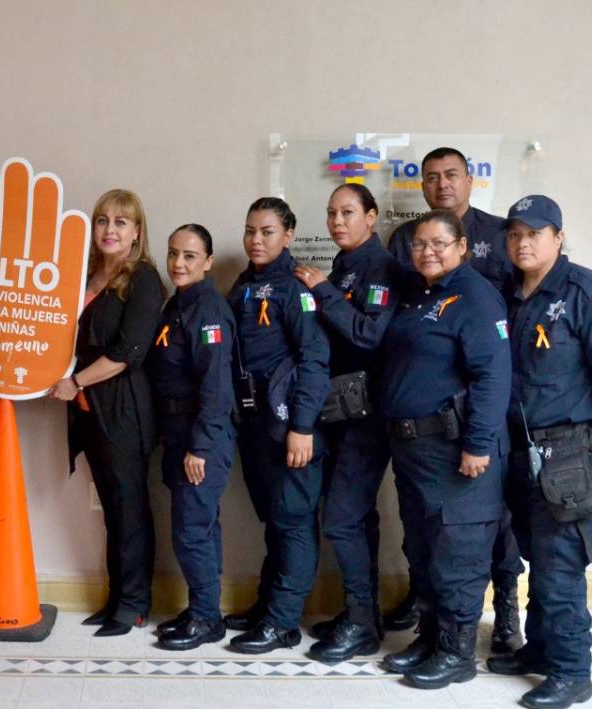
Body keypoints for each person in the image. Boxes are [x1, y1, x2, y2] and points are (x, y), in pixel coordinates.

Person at [488, 195, 592, 709]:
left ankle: (573, 672)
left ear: (558, 236)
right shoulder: (508, 293)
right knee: (536, 556)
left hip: (570, 451)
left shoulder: (589, 293)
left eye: (534, 232)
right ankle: (541, 650)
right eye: (514, 233)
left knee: (560, 566)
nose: (522, 242)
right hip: (518, 448)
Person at [385, 146, 524, 652]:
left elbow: (492, 372)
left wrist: (479, 442)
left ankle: (460, 648)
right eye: (420, 244)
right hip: (418, 445)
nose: (428, 252)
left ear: (462, 247)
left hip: (463, 440)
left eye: (440, 245)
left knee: (464, 547)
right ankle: (430, 640)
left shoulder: (478, 290)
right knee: (426, 546)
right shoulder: (423, 291)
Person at [49, 189, 164, 637]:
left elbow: (127, 353)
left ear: (137, 232)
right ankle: (116, 597)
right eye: (102, 221)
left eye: (121, 222)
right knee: (113, 511)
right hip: (89, 408)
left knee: (130, 509)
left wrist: (75, 381)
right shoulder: (86, 276)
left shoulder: (144, 280)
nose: (110, 230)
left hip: (124, 408)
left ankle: (134, 604)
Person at [292, 184, 398, 664]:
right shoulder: (344, 265)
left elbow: (369, 333)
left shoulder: (379, 268)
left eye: (348, 212)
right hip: (338, 413)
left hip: (367, 418)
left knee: (340, 518)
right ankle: (363, 614)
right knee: (357, 519)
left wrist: (324, 291)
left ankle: (361, 623)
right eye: (332, 212)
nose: (337, 221)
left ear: (371, 217)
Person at [224, 197, 331, 654]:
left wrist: (303, 427)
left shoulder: (295, 287)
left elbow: (314, 360)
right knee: (276, 519)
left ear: (288, 236)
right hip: (254, 424)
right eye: (250, 230)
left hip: (291, 425)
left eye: (267, 231)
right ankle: (270, 605)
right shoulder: (243, 285)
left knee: (293, 521)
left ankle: (284, 622)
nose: (255, 240)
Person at [146, 225, 236, 650]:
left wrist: (201, 446)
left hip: (203, 438)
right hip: (178, 432)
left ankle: (205, 619)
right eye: (173, 254)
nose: (178, 264)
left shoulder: (208, 310)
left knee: (191, 530)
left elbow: (216, 385)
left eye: (189, 256)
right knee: (199, 527)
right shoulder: (178, 305)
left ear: (208, 262)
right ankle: (205, 610)